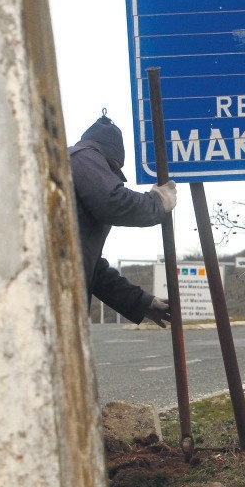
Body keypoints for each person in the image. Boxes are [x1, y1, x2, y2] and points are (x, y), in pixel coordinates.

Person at [69, 114, 176, 327]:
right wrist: (156, 203)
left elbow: (93, 271)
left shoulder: (77, 164)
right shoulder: (83, 157)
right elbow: (113, 200)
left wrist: (142, 303)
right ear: (114, 160)